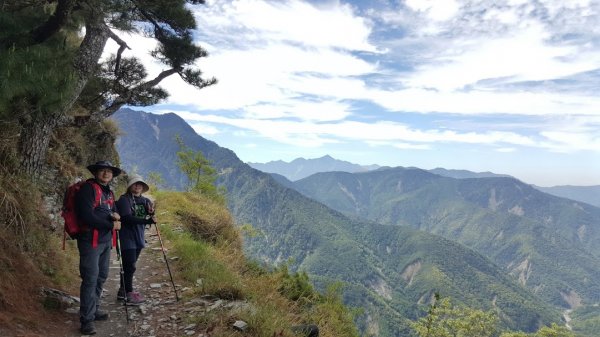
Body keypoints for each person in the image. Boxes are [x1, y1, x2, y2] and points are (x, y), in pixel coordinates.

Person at [75, 160, 122, 335]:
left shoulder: (108, 191)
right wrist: (111, 225)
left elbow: (111, 211)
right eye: (102, 171)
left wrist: (115, 214)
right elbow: (86, 215)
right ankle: (86, 320)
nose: (106, 174)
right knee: (90, 278)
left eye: (109, 171)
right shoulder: (88, 189)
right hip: (90, 241)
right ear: (96, 173)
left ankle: (94, 309)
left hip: (104, 241)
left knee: (102, 276)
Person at [115, 174, 156, 305]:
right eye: (135, 183)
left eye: (140, 184)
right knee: (130, 266)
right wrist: (146, 220)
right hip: (126, 237)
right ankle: (129, 293)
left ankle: (123, 290)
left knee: (129, 266)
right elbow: (126, 217)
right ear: (130, 185)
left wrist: (151, 215)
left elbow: (149, 216)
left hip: (138, 237)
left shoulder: (145, 201)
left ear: (143, 187)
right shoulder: (124, 200)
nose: (138, 186)